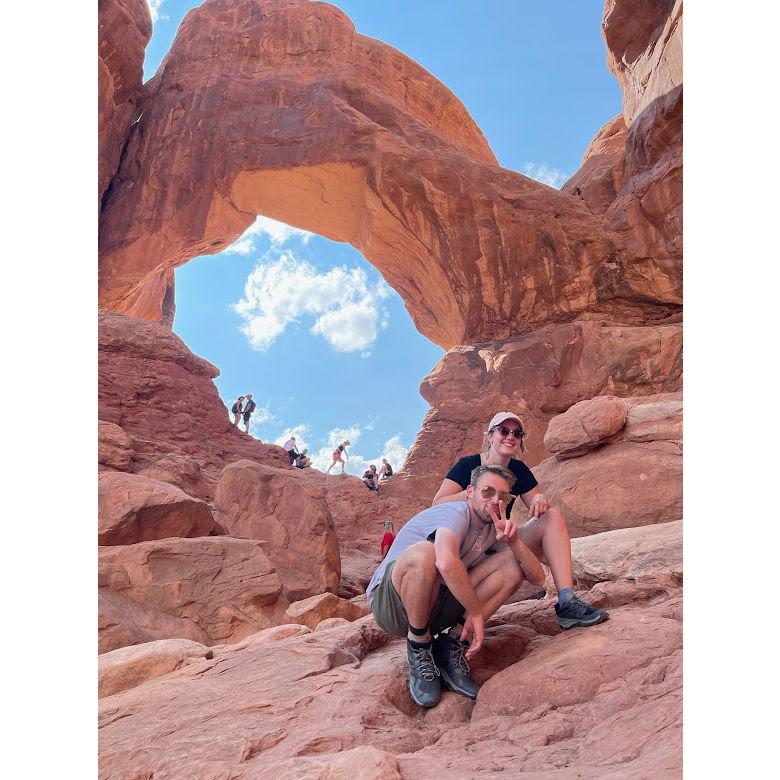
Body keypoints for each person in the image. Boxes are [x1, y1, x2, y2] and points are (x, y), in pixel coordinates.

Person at [367, 464, 545, 708]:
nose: (495, 500)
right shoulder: (455, 513)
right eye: (487, 492)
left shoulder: (494, 529)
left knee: (512, 567)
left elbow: (537, 578)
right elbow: (446, 562)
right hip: (393, 606)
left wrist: (514, 542)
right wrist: (475, 611)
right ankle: (419, 645)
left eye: (502, 496)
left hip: (435, 605)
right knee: (426, 554)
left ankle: (449, 646)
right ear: (470, 492)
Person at [432, 411, 608, 631]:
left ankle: (567, 601)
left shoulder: (519, 470)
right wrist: (479, 492)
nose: (510, 437)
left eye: (517, 433)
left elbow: (537, 503)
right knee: (512, 566)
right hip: (465, 546)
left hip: (494, 544)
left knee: (552, 517)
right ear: (489, 436)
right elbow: (437, 504)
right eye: (503, 431)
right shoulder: (467, 465)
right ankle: (457, 632)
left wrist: (540, 499)